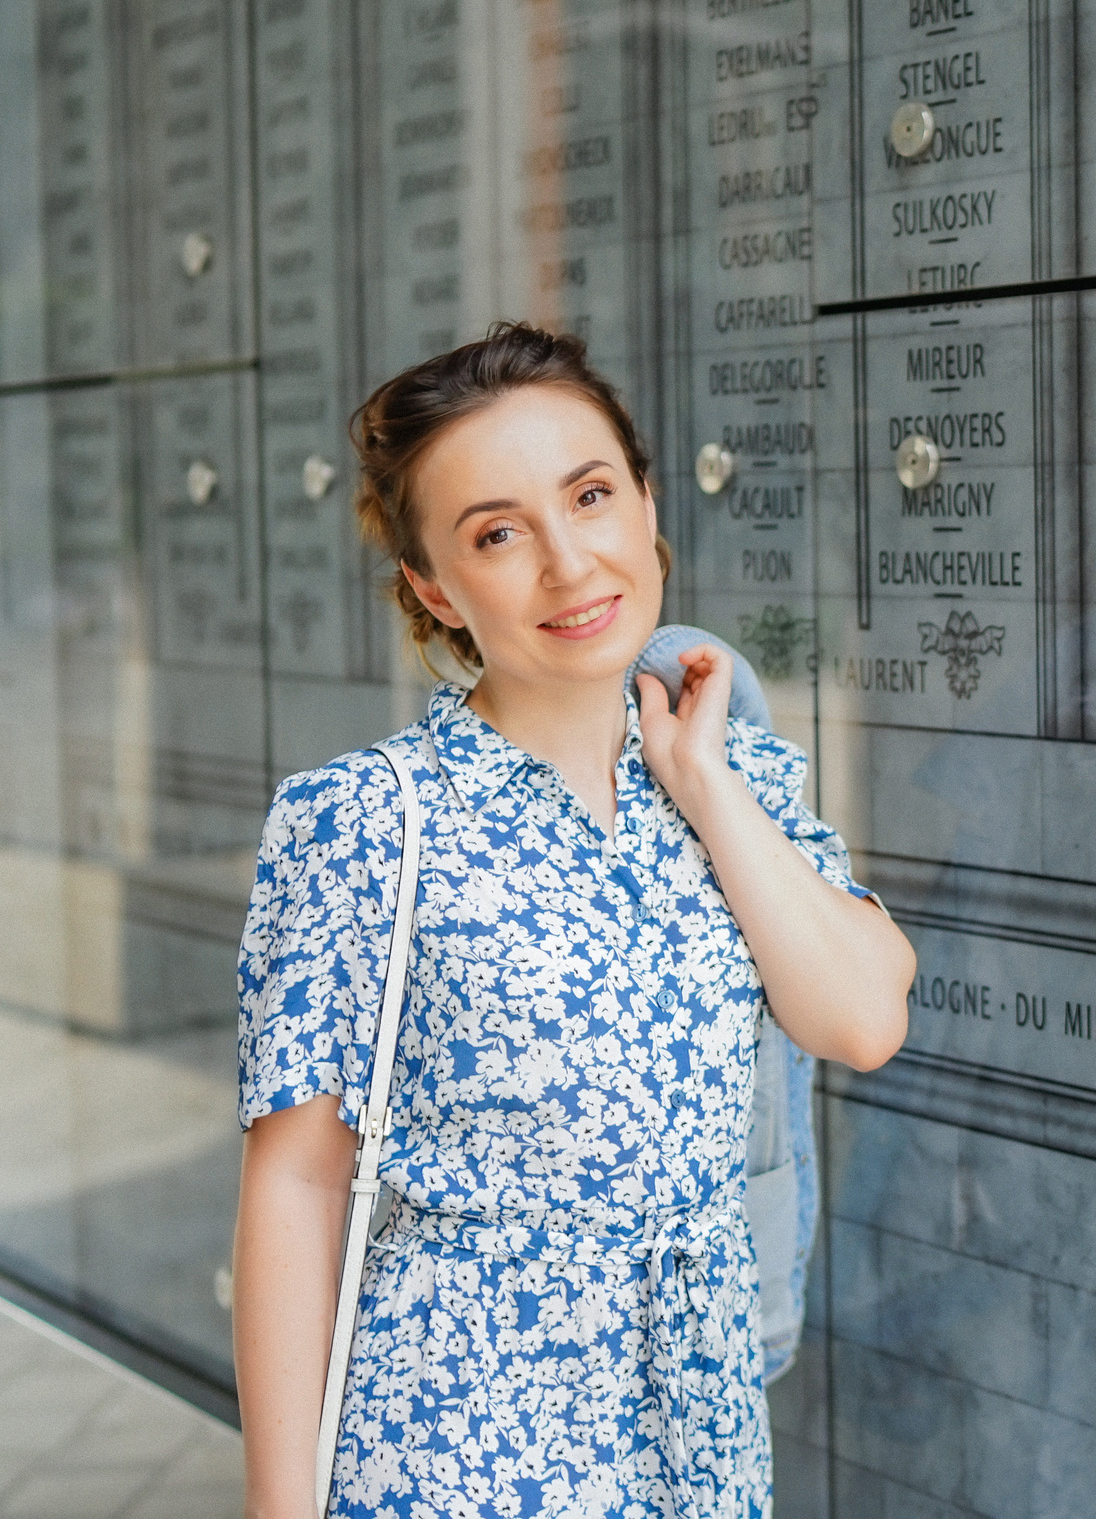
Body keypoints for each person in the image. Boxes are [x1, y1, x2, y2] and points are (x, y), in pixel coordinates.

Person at [229, 322, 914, 1518]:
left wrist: (703, 785)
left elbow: (861, 1019)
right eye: (497, 532)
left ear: (649, 504)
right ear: (433, 587)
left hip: (700, 1420)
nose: (567, 562)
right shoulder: (362, 820)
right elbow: (293, 1190)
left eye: (590, 495)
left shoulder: (732, 775)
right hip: (459, 1431)